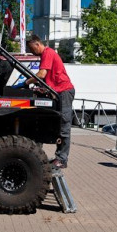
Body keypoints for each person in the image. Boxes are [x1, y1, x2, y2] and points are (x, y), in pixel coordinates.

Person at [26, 35, 75, 169]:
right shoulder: (46, 55)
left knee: (64, 125)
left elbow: (41, 74)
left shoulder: (47, 53)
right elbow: (47, 78)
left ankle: (62, 159)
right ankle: (58, 156)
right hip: (59, 92)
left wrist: (25, 82)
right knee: (57, 124)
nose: (32, 52)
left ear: (37, 44)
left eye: (31, 49)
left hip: (64, 91)